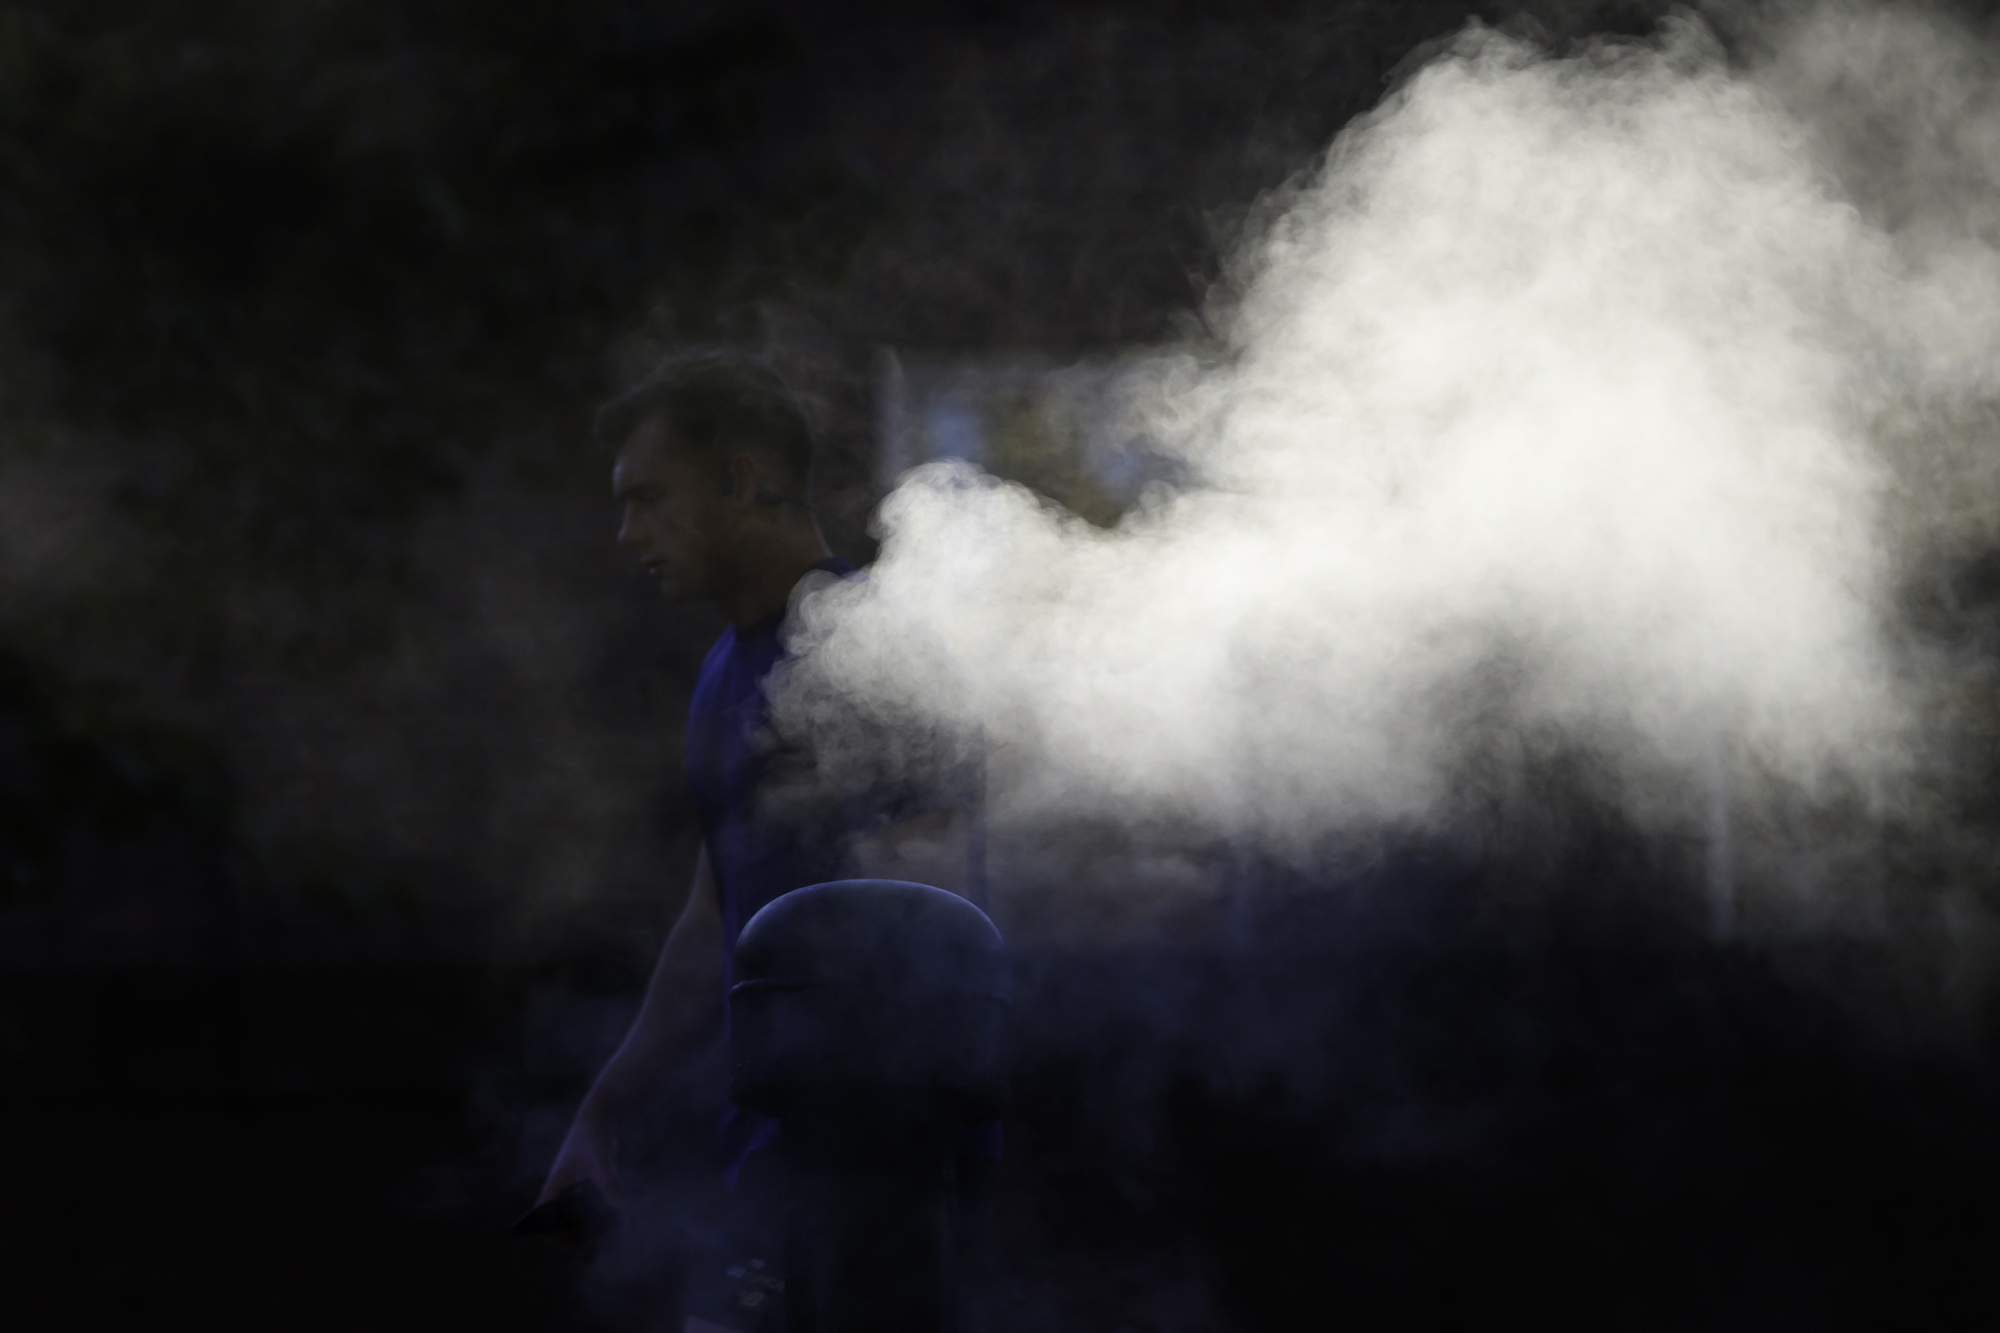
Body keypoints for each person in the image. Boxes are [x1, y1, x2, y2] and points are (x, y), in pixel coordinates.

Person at [532, 351, 987, 1333]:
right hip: (770, 1179)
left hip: (882, 1190)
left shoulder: (877, 647)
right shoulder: (719, 673)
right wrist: (602, 1113)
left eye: (648, 498)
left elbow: (933, 898)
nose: (627, 533)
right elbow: (712, 921)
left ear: (738, 478)